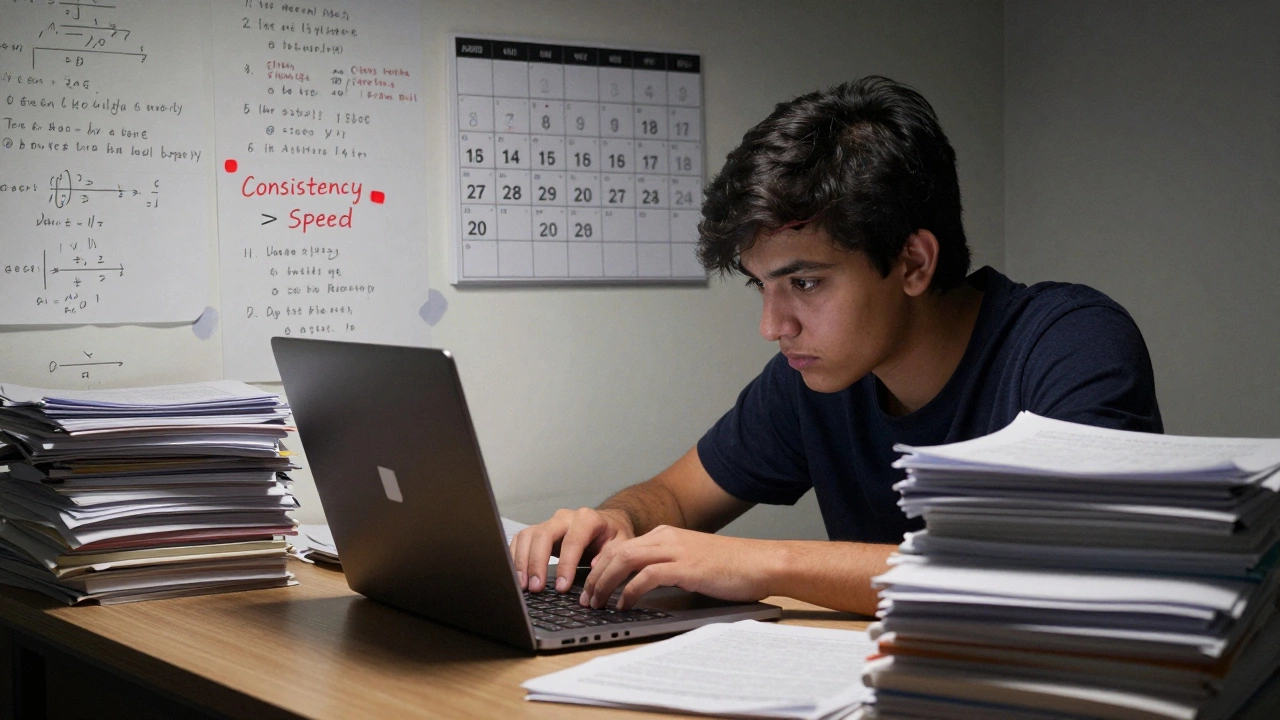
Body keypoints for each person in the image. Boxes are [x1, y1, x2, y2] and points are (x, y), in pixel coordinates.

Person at [509, 76, 1162, 617]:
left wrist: (768, 562)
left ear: (913, 263)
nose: (774, 325)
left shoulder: (1070, 344)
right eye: (761, 286)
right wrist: (616, 520)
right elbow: (673, 500)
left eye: (805, 282)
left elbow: (1066, 575)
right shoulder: (816, 375)